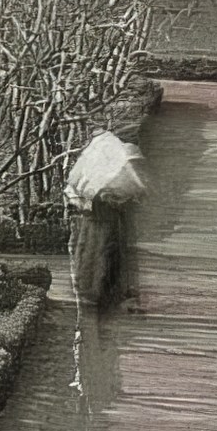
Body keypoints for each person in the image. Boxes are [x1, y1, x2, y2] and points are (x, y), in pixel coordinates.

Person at [62, 129, 147, 308]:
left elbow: (77, 183)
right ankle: (104, 290)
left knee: (98, 245)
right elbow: (135, 184)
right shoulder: (122, 153)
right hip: (107, 209)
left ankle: (95, 289)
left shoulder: (99, 153)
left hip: (100, 208)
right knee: (107, 246)